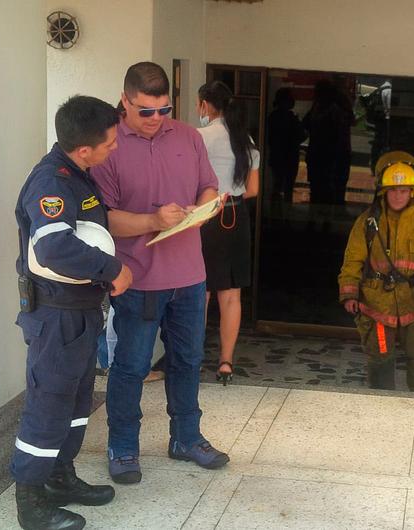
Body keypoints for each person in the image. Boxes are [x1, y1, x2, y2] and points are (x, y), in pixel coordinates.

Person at [92, 62, 229, 485]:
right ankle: (124, 446)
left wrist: (207, 206)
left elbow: (207, 184)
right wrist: (156, 220)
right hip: (137, 279)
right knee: (131, 366)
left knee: (187, 360)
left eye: (164, 110)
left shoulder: (187, 136)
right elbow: (104, 220)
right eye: (145, 111)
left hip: (190, 275)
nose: (155, 120)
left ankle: (186, 438)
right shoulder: (108, 145)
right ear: (125, 100)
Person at [12, 95, 133, 530]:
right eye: (110, 143)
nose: (114, 148)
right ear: (85, 149)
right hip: (56, 317)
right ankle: (31, 503)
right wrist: (112, 269)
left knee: (78, 402)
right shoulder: (51, 182)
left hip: (80, 312)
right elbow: (54, 246)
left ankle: (61, 478)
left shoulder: (78, 174)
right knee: (48, 405)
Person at [338, 151, 414, 391]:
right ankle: (381, 410)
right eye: (393, 190)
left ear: (413, 191)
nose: (398, 196)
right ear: (383, 192)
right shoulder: (368, 222)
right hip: (377, 303)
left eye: (404, 190)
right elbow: (353, 258)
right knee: (380, 360)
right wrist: (349, 292)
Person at [197, 80, 260, 384]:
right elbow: (253, 189)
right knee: (231, 295)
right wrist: (229, 194)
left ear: (205, 105)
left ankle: (192, 358)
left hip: (205, 217)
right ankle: (226, 362)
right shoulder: (244, 139)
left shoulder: (199, 137)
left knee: (201, 292)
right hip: (236, 216)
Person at [303, 79, 352, 205]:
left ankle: (318, 218)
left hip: (324, 155)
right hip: (328, 156)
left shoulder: (321, 110)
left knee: (320, 189)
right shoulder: (332, 110)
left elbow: (306, 124)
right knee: (328, 189)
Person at [267, 87, 306, 202]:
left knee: (277, 185)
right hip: (290, 157)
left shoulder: (272, 117)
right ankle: (285, 213)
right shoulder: (291, 118)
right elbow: (301, 136)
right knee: (288, 188)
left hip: (277, 156)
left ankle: (275, 212)